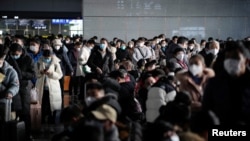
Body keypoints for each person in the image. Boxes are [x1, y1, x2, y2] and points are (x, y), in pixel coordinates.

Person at [202, 41, 250, 126]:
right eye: (227, 57)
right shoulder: (214, 83)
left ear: (246, 61)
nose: (230, 61)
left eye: (235, 58)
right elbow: (206, 110)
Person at [6, 43, 35, 140]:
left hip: (23, 88)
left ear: (21, 52)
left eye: (17, 53)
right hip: (10, 87)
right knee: (11, 111)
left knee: (25, 112)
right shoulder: (8, 59)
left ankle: (27, 133)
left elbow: (32, 74)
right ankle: (12, 133)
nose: (15, 55)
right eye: (13, 53)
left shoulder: (28, 59)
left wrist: (21, 74)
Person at [35, 49, 63, 132]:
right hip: (41, 87)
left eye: (48, 57)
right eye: (45, 57)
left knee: (53, 107)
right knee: (43, 107)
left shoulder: (56, 63)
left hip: (53, 88)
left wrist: (51, 73)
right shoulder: (39, 62)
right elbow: (36, 74)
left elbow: (60, 75)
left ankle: (52, 125)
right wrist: (41, 72)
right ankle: (42, 124)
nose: (47, 59)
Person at [52, 38, 74, 107]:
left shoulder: (63, 52)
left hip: (62, 72)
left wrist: (71, 70)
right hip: (53, 72)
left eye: (58, 45)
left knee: (63, 87)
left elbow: (67, 62)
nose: (57, 46)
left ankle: (64, 103)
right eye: (55, 45)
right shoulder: (51, 52)